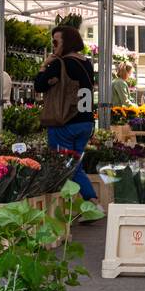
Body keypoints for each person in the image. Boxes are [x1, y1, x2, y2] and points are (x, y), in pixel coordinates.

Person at [35, 25, 97, 201]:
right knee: (75, 164)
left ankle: (90, 201)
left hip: (65, 122)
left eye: (55, 42)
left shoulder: (59, 64)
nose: (53, 46)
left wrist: (44, 65)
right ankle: (84, 204)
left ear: (66, 43)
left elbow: (39, 85)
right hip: (85, 122)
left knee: (65, 165)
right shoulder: (86, 63)